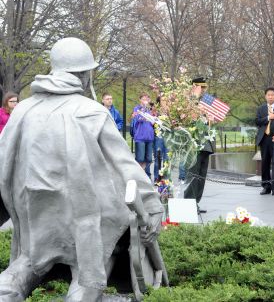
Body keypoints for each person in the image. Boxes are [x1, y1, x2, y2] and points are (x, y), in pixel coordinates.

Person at [0, 37, 163, 301]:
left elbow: (3, 163)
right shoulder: (92, 111)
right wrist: (153, 206)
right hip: (85, 221)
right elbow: (125, 165)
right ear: (84, 75)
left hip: (35, 217)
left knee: (22, 271)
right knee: (87, 280)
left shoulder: (22, 112)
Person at [184, 76, 214, 213]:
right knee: (193, 175)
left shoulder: (205, 101)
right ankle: (189, 205)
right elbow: (187, 117)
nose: (202, 90)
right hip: (193, 144)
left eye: (203, 88)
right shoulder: (187, 100)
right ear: (194, 87)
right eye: (200, 87)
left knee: (201, 176)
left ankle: (196, 202)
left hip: (205, 143)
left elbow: (206, 123)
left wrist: (210, 119)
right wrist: (194, 99)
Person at [255, 87, 274, 196]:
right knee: (265, 163)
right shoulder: (261, 108)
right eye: (268, 95)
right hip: (264, 139)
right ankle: (266, 186)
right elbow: (257, 121)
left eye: (272, 95)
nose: (270, 97)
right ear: (265, 96)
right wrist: (269, 117)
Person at [132, 93, 155, 178]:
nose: (146, 100)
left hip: (149, 137)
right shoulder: (137, 108)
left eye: (147, 98)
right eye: (144, 98)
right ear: (140, 100)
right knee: (140, 158)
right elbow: (137, 118)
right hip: (140, 137)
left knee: (149, 159)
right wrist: (143, 110)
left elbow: (154, 121)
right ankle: (138, 177)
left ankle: (144, 176)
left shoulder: (151, 110)